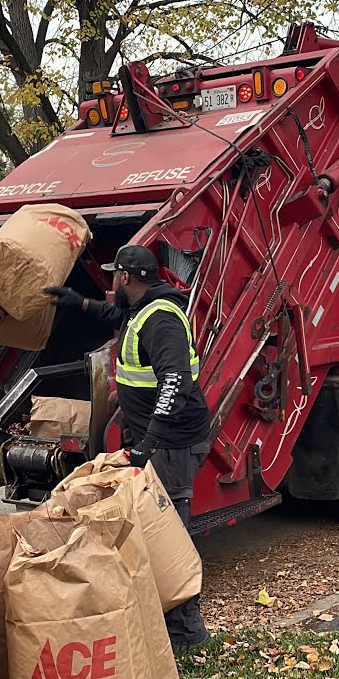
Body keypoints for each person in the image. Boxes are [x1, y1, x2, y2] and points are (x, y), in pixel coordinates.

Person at [45, 244, 213, 655]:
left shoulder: (162, 320)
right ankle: (171, 626)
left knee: (171, 534)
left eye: (112, 276)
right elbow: (114, 315)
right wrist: (78, 303)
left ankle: (189, 636)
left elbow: (175, 382)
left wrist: (149, 444)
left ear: (125, 278)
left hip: (173, 443)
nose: (111, 284)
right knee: (157, 528)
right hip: (160, 440)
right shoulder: (142, 308)